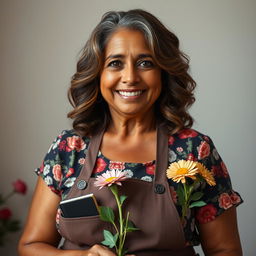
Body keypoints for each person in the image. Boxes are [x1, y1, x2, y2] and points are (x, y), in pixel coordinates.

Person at [18, 9, 243, 256]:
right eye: (115, 63)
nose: (130, 77)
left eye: (145, 63)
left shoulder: (194, 151)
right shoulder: (68, 149)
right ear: (98, 74)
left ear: (163, 72)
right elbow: (30, 247)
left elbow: (225, 250)